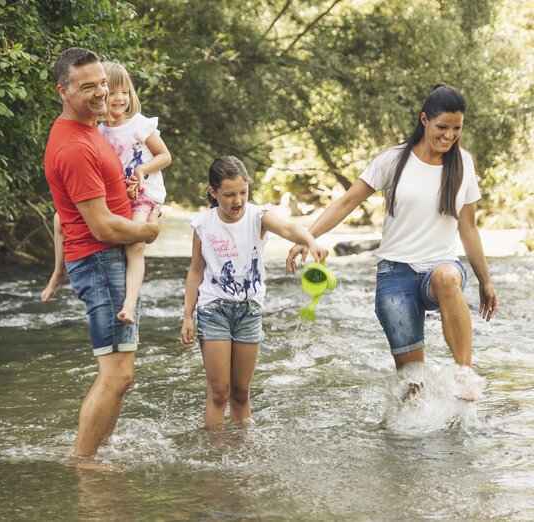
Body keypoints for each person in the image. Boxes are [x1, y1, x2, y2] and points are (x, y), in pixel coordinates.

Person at [287, 84, 497, 398]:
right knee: (413, 388)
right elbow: (347, 202)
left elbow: (468, 228)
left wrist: (485, 281)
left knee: (449, 277)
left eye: (457, 129)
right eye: (442, 127)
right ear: (424, 119)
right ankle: (410, 438)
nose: (449, 136)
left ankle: (463, 374)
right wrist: (307, 237)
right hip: (395, 276)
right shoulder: (394, 160)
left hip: (438, 269)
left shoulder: (464, 163)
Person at [44, 47, 160, 458]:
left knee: (119, 373)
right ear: (64, 91)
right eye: (87, 86)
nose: (99, 92)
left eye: (102, 83)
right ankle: (85, 463)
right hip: (100, 258)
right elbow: (102, 225)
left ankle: (101, 449)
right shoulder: (74, 146)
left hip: (104, 259)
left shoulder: (90, 130)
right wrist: (147, 230)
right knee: (116, 374)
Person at [180, 156, 329, 427]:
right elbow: (195, 271)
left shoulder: (257, 216)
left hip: (250, 312)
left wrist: (310, 240)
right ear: (213, 193)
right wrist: (187, 315)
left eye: (243, 193)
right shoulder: (203, 225)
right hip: (214, 311)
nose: (238, 200)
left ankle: (241, 457)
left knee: (240, 392)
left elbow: (288, 227)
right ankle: (213, 459)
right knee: (219, 392)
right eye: (229, 194)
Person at [42, 62, 171, 327]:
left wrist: (142, 171)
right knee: (58, 220)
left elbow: (165, 156)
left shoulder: (139, 125)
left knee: (134, 244)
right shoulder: (96, 130)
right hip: (122, 193)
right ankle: (58, 271)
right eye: (113, 92)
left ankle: (130, 304)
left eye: (125, 92)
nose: (119, 98)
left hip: (143, 192)